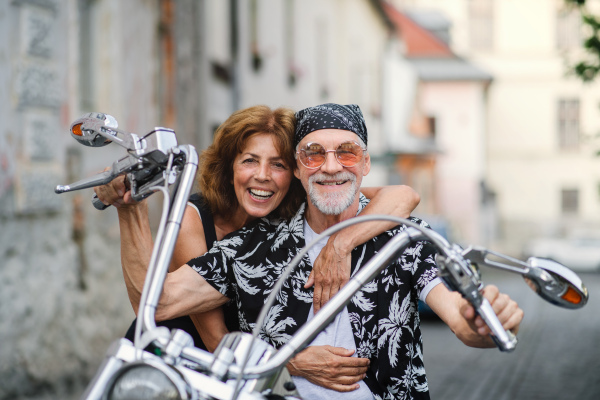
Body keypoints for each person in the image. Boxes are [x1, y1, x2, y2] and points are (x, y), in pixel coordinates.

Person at [117, 103, 524, 399]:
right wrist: (129, 209)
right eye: (314, 154)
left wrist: (482, 321)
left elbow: (457, 315)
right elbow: (159, 301)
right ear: (297, 169)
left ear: (365, 164)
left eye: (346, 152)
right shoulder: (255, 248)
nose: (331, 166)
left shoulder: (400, 237)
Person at [95, 105, 420, 371]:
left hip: (245, 370)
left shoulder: (288, 214)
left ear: (293, 171)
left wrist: (340, 243)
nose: (262, 176)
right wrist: (292, 362)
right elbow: (214, 338)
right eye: (250, 160)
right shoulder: (193, 221)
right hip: (178, 364)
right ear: (230, 166)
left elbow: (401, 195)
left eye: (277, 164)